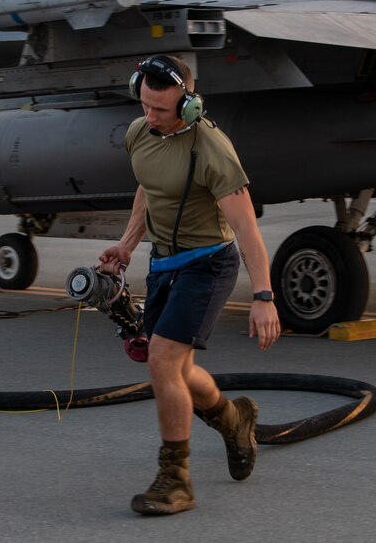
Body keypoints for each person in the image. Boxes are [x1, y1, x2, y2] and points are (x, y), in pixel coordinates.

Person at [98, 54, 281, 516]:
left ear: (189, 103)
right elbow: (148, 187)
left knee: (161, 360)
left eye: (162, 109)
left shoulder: (211, 149)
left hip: (209, 263)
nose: (150, 116)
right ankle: (233, 418)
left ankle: (174, 478)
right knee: (177, 369)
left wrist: (263, 296)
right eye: (145, 105)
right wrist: (127, 244)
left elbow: (247, 229)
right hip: (164, 264)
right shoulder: (139, 133)